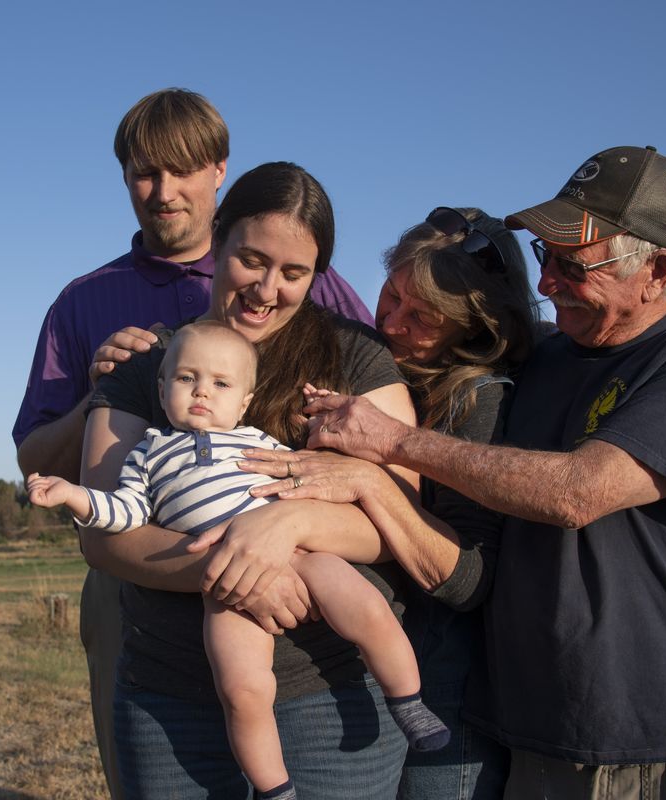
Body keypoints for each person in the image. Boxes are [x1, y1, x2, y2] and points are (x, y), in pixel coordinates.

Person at [275, 146, 666, 799]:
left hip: (664, 752)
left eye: (573, 265)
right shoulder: (540, 361)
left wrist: (393, 445)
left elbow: (580, 491)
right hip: (536, 744)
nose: (548, 286)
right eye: (545, 260)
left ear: (657, 270)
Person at [9, 88, 372, 796]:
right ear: (124, 178)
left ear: (219, 173)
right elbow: (32, 456)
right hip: (139, 577)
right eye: (145, 172)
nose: (164, 191)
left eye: (184, 170)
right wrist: (97, 393)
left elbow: (375, 389)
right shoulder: (85, 300)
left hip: (294, 563)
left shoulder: (293, 275)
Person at [80, 161, 428, 799]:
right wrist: (239, 569)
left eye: (294, 273)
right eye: (251, 260)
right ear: (218, 242)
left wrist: (285, 525)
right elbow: (102, 537)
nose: (268, 288)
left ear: (316, 275)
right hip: (169, 699)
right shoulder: (148, 365)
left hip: (326, 692)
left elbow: (404, 517)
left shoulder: (355, 357)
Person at [28, 321, 449, 798]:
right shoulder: (148, 454)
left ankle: (408, 701)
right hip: (226, 593)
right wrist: (72, 495)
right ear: (162, 389)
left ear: (244, 402)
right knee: (243, 692)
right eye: (187, 379)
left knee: (369, 611)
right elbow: (121, 513)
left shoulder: (259, 441)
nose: (202, 392)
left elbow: (310, 464)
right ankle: (276, 787)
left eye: (220, 384)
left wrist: (325, 416)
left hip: (300, 556)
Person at [241, 206, 540, 800]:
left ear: (473, 329)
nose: (393, 321)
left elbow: (467, 579)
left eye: (422, 316)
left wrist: (370, 482)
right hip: (350, 679)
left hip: (442, 695)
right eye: (392, 293)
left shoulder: (476, 402)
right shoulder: (369, 365)